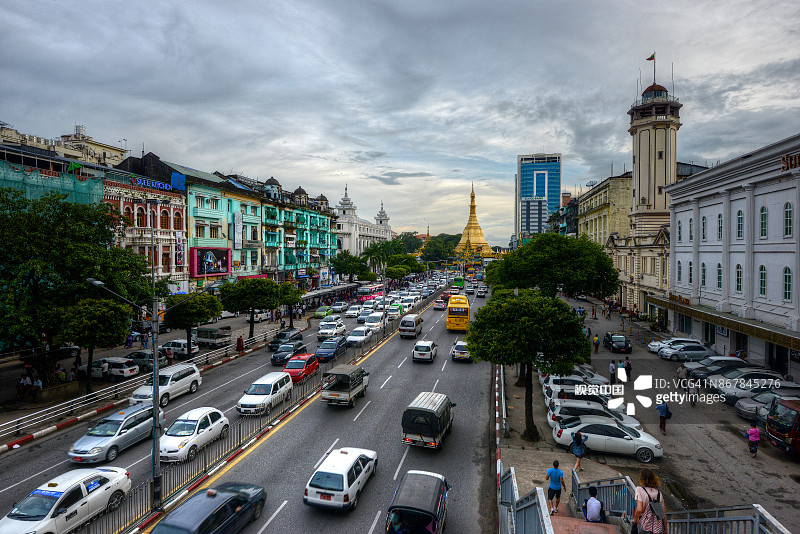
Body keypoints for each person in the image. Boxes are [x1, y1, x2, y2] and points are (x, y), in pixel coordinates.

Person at [633, 468, 667, 534]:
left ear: (642, 479)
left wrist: (635, 519)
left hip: (644, 525)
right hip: (657, 527)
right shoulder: (659, 493)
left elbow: (639, 509)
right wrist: (665, 529)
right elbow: (663, 514)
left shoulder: (639, 489)